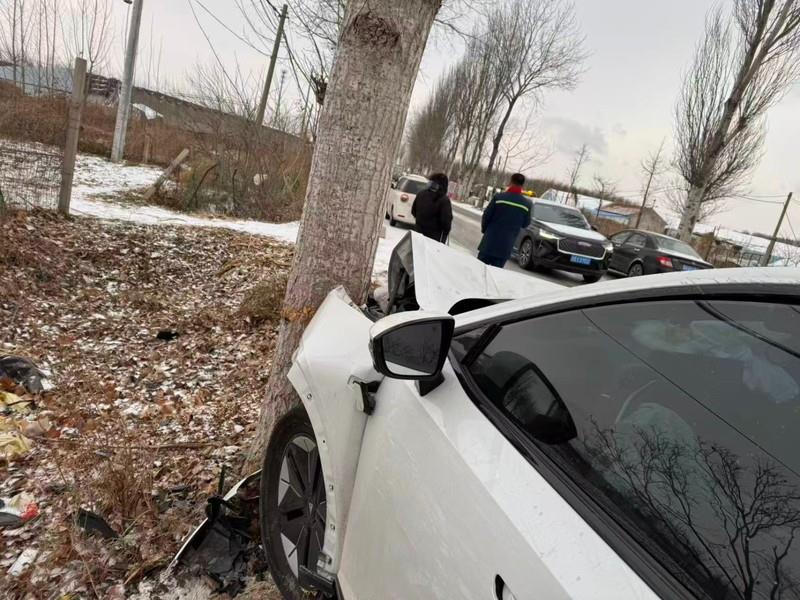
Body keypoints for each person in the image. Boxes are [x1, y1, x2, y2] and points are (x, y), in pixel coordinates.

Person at [477, 173, 532, 268]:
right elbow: (525, 224)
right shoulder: (526, 204)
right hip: (505, 246)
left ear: (511, 182)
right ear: (522, 185)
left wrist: (485, 230)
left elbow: (486, 216)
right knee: (495, 274)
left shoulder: (499, 197)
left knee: (479, 270)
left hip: (489, 243)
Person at [411, 173, 453, 243]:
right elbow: (446, 222)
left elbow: (413, 211)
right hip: (434, 239)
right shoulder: (444, 200)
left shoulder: (421, 194)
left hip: (418, 234)